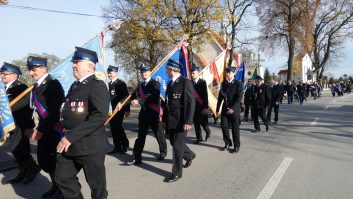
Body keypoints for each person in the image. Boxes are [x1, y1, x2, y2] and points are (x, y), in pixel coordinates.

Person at [55, 47, 110, 199]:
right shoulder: (75, 86)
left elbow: (99, 116)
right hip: (70, 144)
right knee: (62, 177)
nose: (73, 65)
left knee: (97, 187)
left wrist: (70, 137)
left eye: (77, 62)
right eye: (73, 62)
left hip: (89, 146)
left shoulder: (97, 85)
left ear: (89, 66)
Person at [26, 56, 65, 198]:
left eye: (33, 69)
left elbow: (55, 112)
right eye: (29, 69)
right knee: (44, 161)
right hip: (43, 129)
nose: (31, 73)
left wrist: (41, 129)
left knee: (57, 162)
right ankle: (55, 185)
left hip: (54, 130)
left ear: (44, 69)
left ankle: (63, 189)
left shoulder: (53, 84)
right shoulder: (36, 86)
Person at [1, 62, 40, 184]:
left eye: (5, 74)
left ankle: (32, 167)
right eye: (2, 74)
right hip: (11, 123)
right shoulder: (4, 88)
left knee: (17, 148)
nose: (3, 76)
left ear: (15, 75)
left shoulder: (21, 87)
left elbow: (24, 105)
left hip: (21, 123)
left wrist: (6, 109)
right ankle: (23, 171)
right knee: (16, 149)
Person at [162, 59, 196, 183]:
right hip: (171, 119)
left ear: (171, 69)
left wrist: (188, 121)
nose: (166, 71)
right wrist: (164, 119)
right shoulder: (170, 83)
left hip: (181, 120)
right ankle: (189, 155)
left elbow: (190, 103)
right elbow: (167, 103)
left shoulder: (185, 82)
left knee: (176, 147)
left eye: (166, 69)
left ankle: (176, 173)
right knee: (173, 142)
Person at [128, 64, 167, 165]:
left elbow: (153, 96)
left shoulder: (155, 83)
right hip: (143, 113)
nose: (143, 74)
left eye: (145, 72)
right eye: (142, 72)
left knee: (159, 134)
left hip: (154, 113)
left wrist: (139, 100)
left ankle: (163, 152)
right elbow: (132, 96)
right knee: (141, 136)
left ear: (150, 72)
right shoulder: (139, 85)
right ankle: (137, 157)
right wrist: (126, 101)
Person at [216, 67, 243, 153]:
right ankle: (227, 142)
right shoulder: (223, 83)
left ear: (234, 73)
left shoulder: (238, 84)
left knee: (235, 129)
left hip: (234, 109)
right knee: (224, 126)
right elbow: (220, 97)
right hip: (225, 109)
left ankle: (236, 146)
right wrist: (217, 108)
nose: (227, 74)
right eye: (226, 72)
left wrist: (233, 108)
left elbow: (239, 97)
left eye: (229, 72)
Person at [107, 65, 130, 154]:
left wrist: (127, 110)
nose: (109, 74)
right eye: (108, 73)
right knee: (113, 128)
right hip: (110, 110)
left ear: (116, 73)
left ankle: (125, 144)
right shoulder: (108, 84)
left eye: (110, 72)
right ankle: (117, 146)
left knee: (118, 127)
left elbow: (126, 97)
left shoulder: (121, 83)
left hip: (119, 109)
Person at [190, 66, 211, 144]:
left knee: (203, 123)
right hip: (193, 107)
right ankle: (199, 138)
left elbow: (205, 95)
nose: (192, 75)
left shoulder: (202, 82)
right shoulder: (189, 83)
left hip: (201, 106)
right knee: (196, 123)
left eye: (193, 73)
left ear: (198, 73)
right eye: (191, 73)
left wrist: (205, 107)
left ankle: (208, 131)